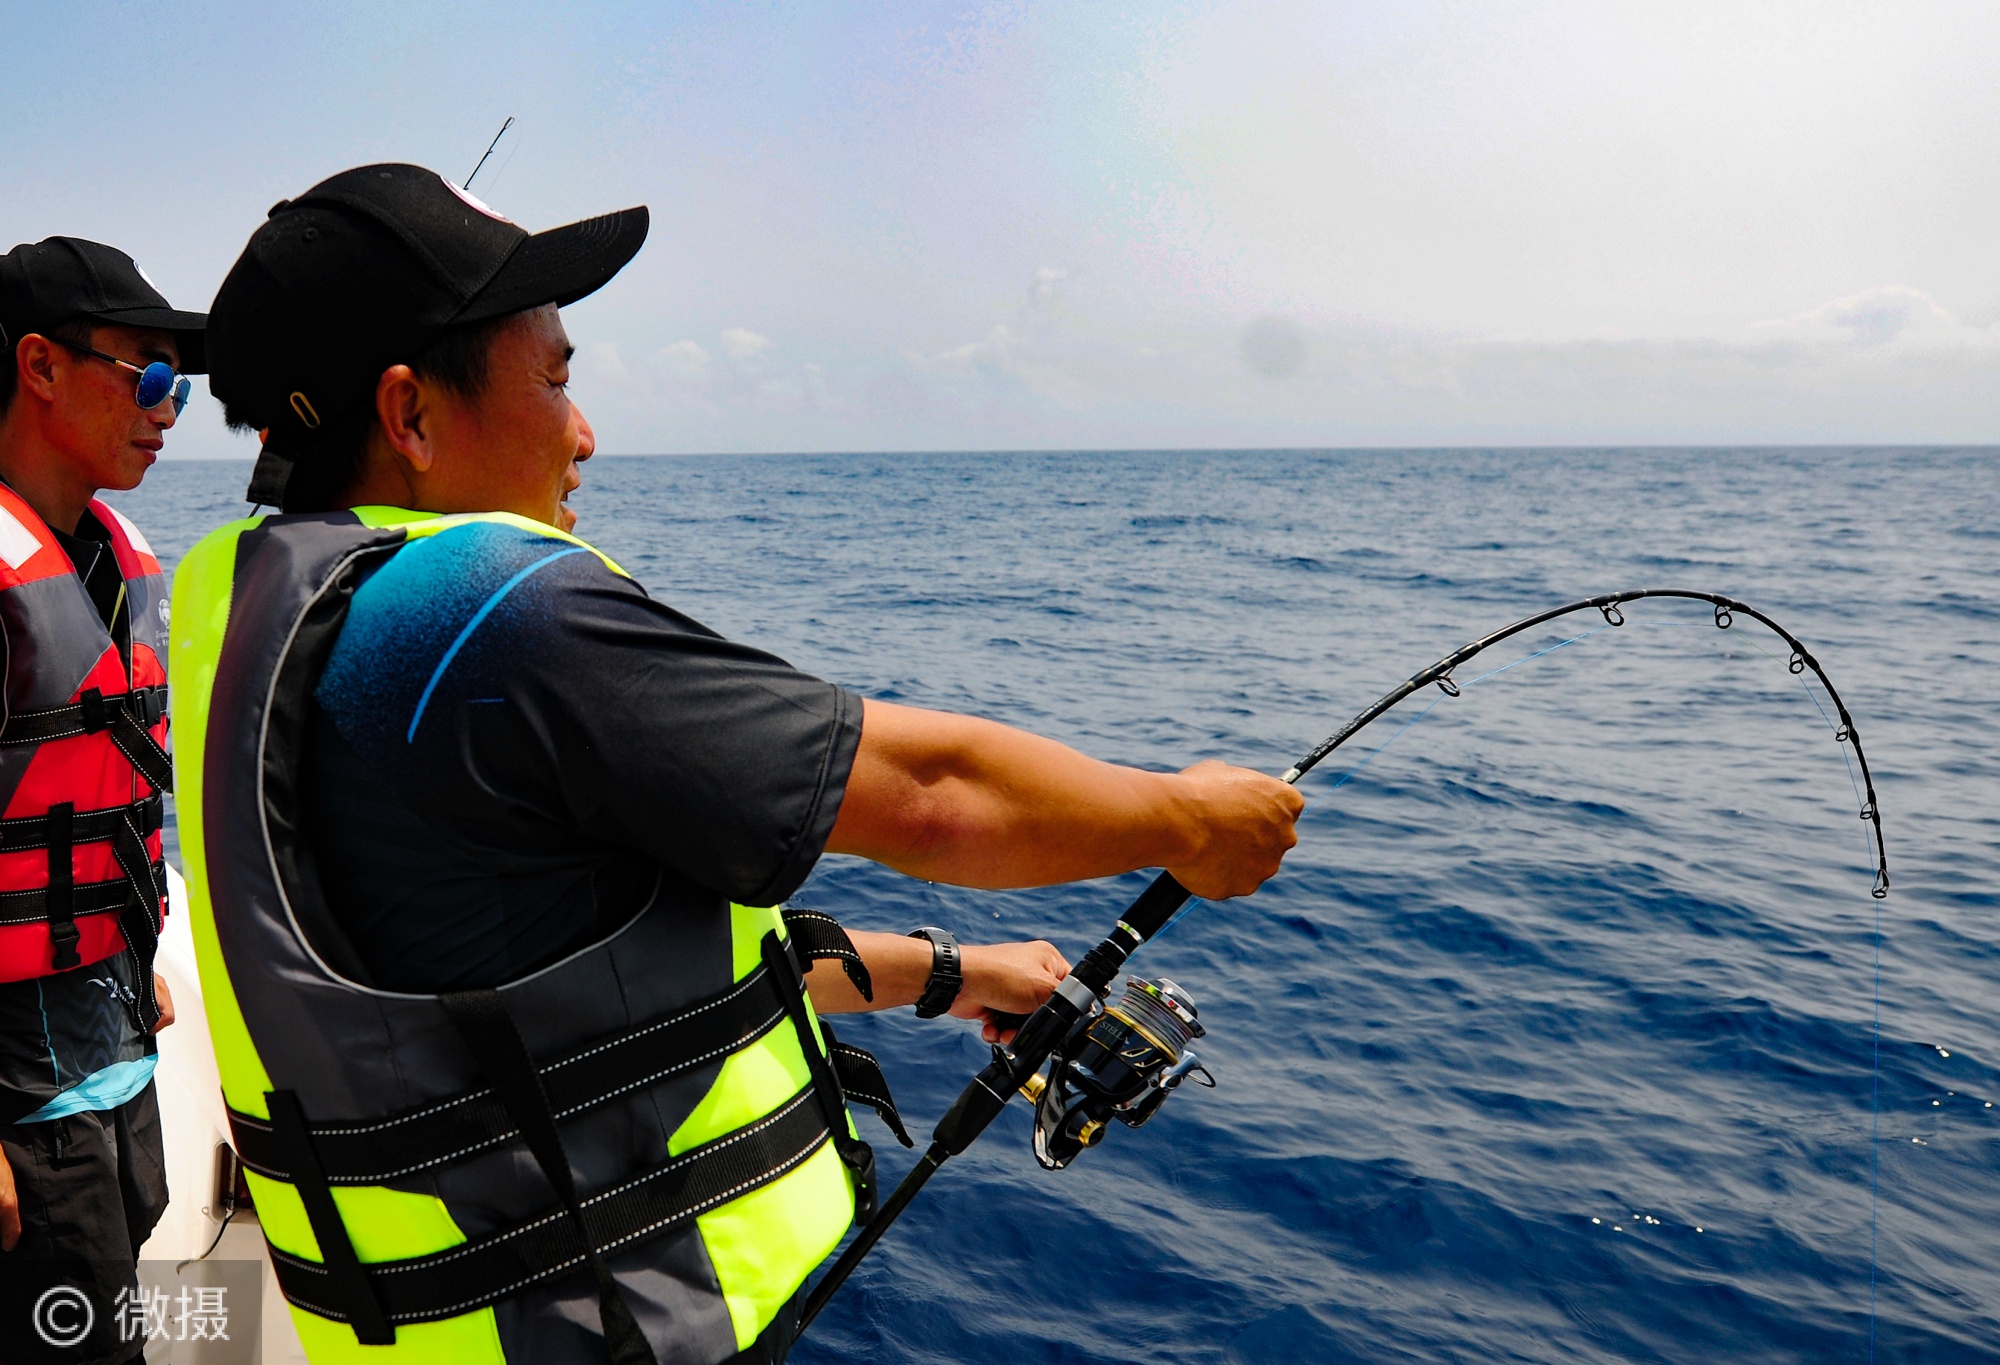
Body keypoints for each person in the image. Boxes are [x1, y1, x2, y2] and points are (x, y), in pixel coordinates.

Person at [179, 164, 1303, 1365]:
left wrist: (956, 973)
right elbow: (934, 797)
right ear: (409, 416)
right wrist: (1188, 819)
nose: (585, 434)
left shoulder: (245, 610)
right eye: (555, 380)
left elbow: (581, 996)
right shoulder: (489, 616)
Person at [0, 238, 202, 1364]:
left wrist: (132, 958)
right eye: (148, 373)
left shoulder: (111, 558)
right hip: (21, 1097)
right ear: (38, 364)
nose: (170, 408)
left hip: (114, 1039)